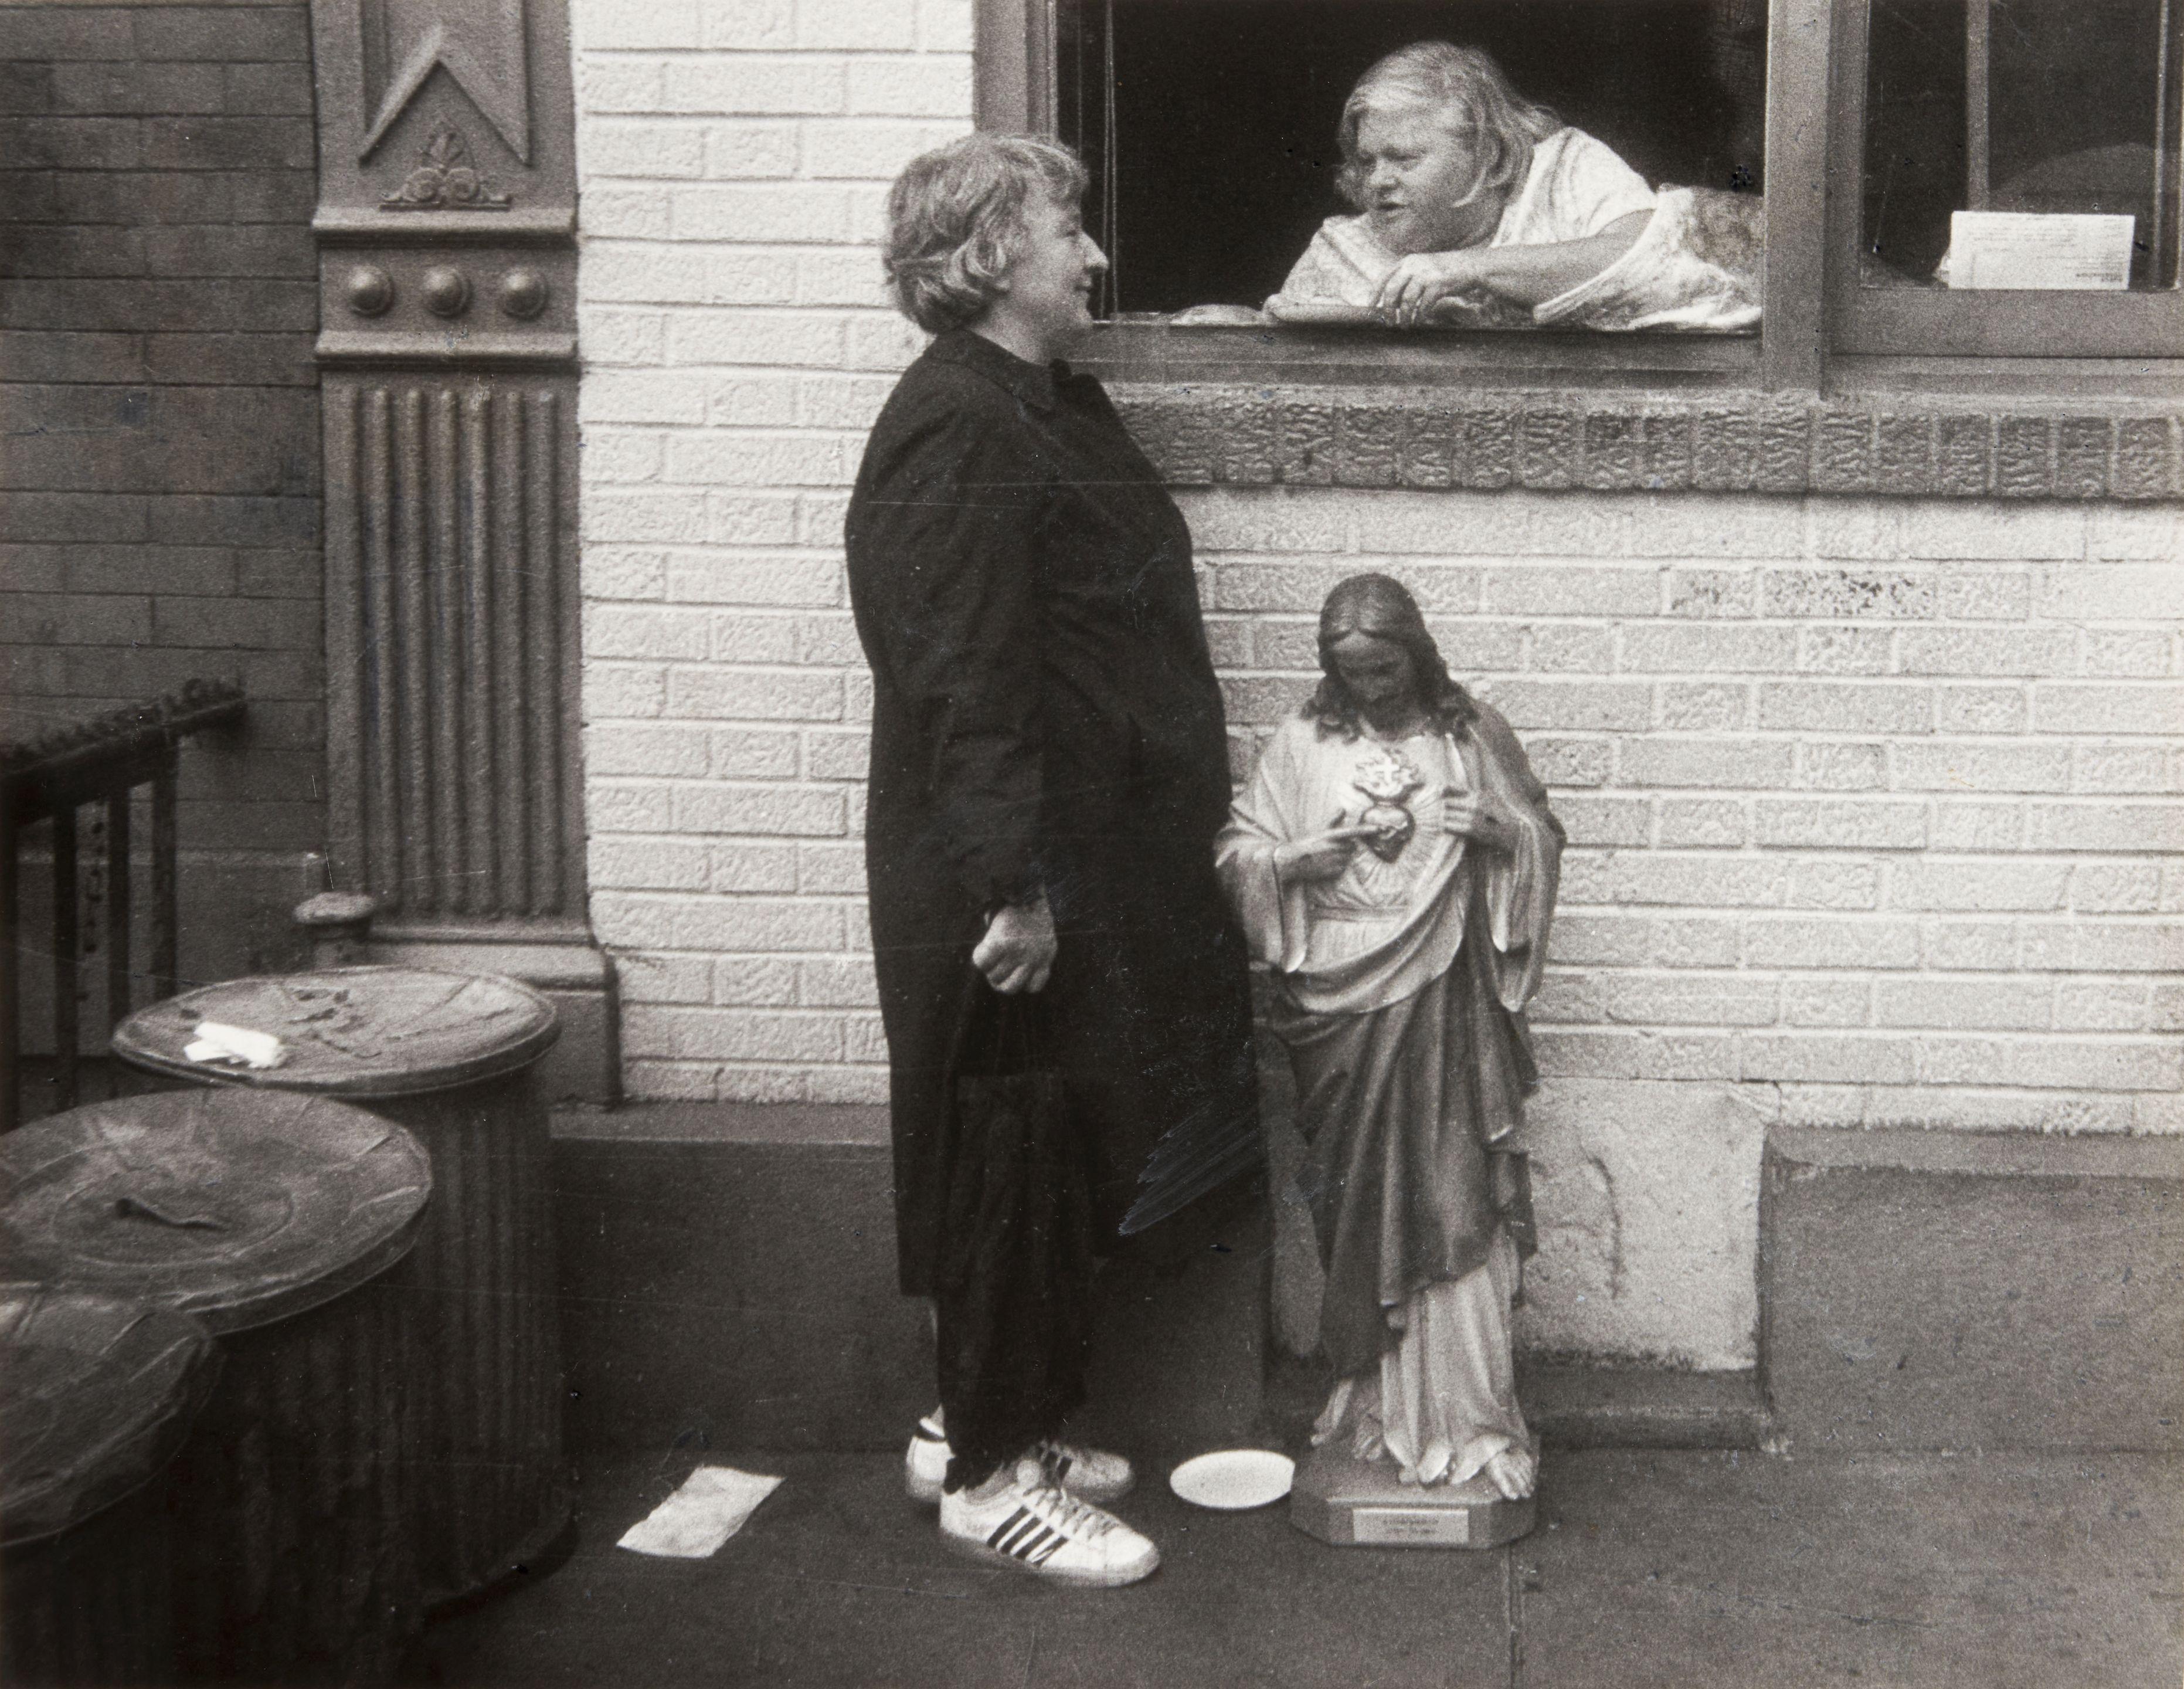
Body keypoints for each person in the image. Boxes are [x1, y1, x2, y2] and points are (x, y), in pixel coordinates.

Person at [845, 133, 1258, 1587]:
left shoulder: (1042, 401)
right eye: (1065, 227)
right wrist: (1009, 883)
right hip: (1008, 880)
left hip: (1080, 860)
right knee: (1011, 1156)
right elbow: (961, 671)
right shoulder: (959, 421)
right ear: (987, 254)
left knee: (1057, 1148)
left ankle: (974, 1413)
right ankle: (991, 1480)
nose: (1092, 255)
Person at [1215, 574, 1562, 1500]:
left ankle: (1469, 1422)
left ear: (1417, 651)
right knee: (1358, 1205)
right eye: (1350, 671)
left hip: (1445, 1004)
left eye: (1384, 666)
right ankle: (1376, 1409)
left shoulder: (1470, 733)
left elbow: (1539, 833)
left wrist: (1500, 833)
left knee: (1453, 1199)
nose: (1370, 686)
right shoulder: (1301, 741)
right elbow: (1237, 850)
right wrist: (1290, 861)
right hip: (1336, 1013)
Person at [1268, 40, 1760, 333]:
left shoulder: (1565, 167)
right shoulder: (1344, 248)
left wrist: (1465, 269)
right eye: (1367, 159)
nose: (1377, 180)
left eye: (1403, 158)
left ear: (1487, 153)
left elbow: (1638, 251)